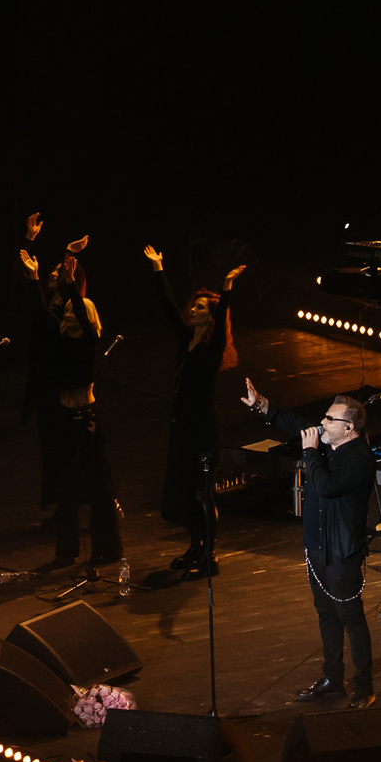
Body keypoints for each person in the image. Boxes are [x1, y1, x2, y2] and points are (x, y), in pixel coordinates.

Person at [240, 376, 378, 706]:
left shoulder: (360, 457)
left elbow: (328, 487)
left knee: (351, 619)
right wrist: (262, 404)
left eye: (330, 419)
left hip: (342, 553)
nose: (322, 423)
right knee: (325, 615)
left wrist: (310, 452)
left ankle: (364, 687)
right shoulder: (328, 443)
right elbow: (297, 423)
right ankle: (333, 678)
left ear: (349, 428)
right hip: (316, 547)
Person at [16, 222, 123, 571]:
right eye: (67, 315)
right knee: (66, 489)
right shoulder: (60, 339)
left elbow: (75, 301)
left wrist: (70, 263)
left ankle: (108, 549)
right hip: (65, 420)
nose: (69, 317)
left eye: (76, 315)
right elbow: (41, 307)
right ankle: (66, 552)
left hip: (87, 418)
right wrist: (36, 275)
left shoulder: (89, 342)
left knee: (100, 487)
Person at [145, 242, 247, 578]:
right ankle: (194, 547)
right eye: (193, 305)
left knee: (203, 494)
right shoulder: (184, 339)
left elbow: (222, 309)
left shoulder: (212, 348)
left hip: (204, 430)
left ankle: (209, 555)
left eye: (200, 307)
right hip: (184, 428)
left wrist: (226, 287)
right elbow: (168, 305)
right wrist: (158, 268)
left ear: (211, 316)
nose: (192, 310)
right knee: (187, 493)